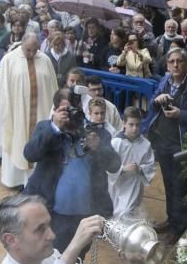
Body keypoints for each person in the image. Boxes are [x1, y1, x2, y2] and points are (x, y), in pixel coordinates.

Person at [23, 88, 120, 252]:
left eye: (76, 109)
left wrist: (98, 148)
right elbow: (30, 154)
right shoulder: (46, 128)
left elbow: (114, 165)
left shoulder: (96, 133)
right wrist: (55, 128)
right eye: (66, 110)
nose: (72, 114)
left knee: (78, 259)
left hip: (85, 217)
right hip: (52, 215)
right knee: (51, 258)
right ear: (55, 110)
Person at [0, 33, 57, 188]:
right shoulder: (9, 60)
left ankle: (38, 181)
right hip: (17, 114)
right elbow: (1, 91)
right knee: (18, 142)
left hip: (41, 112)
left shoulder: (45, 60)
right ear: (21, 44)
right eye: (28, 50)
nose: (31, 54)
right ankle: (16, 181)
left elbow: (53, 88)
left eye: (35, 50)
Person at [141, 47, 187, 243]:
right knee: (168, 184)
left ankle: (178, 226)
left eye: (179, 61)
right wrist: (157, 100)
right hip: (162, 141)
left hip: (181, 144)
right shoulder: (165, 81)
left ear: (186, 64)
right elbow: (152, 101)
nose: (175, 65)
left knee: (179, 186)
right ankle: (171, 219)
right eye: (171, 61)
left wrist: (181, 114)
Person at [107, 106, 156, 220]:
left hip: (134, 184)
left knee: (127, 212)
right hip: (117, 184)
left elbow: (151, 165)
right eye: (131, 124)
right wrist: (123, 169)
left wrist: (140, 168)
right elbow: (108, 165)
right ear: (124, 123)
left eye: (137, 125)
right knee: (116, 213)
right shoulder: (116, 143)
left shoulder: (145, 144)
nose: (134, 128)